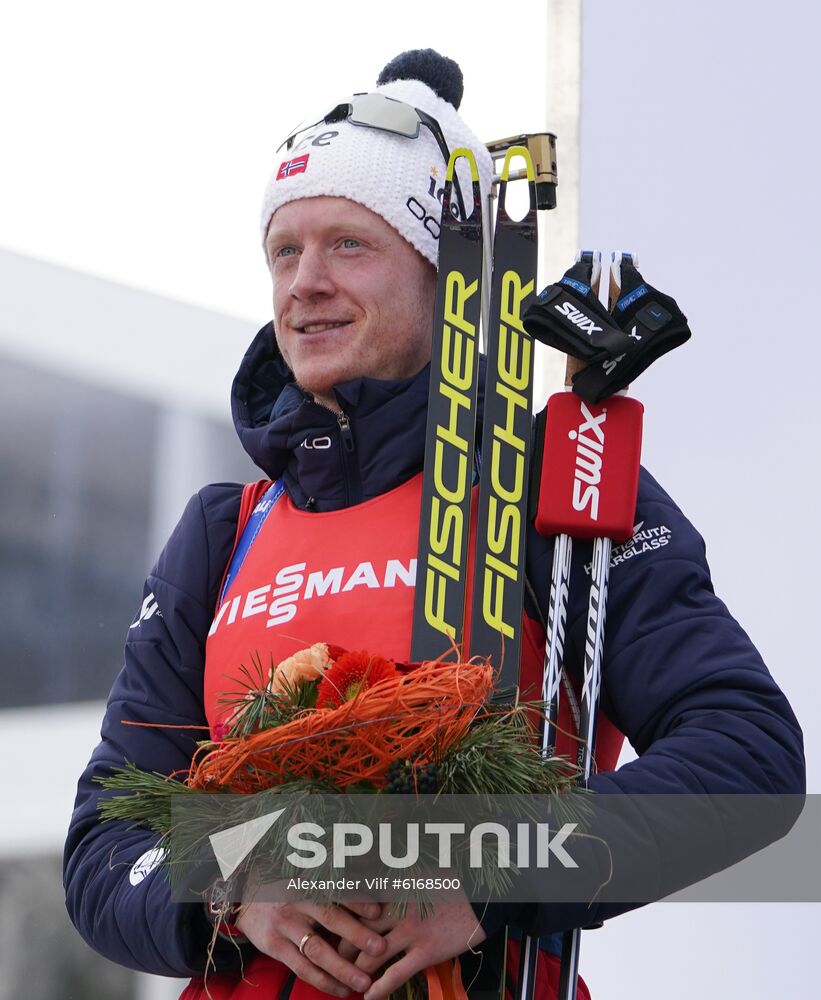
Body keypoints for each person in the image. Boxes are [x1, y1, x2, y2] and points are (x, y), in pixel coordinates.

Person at [64, 48, 805, 1000]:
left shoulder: (547, 476)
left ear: (441, 280)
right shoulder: (225, 530)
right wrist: (236, 877)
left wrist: (487, 874)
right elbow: (102, 849)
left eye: (350, 245)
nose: (305, 283)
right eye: (283, 251)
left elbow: (745, 755)